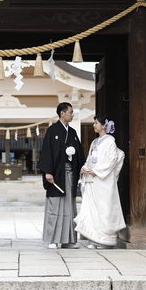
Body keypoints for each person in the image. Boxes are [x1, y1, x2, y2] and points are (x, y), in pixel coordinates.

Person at [74, 114, 126, 249]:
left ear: (104, 126)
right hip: (93, 180)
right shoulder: (94, 142)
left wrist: (96, 171)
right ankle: (94, 239)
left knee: (104, 209)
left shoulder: (110, 141)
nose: (94, 125)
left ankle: (106, 240)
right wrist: (85, 168)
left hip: (104, 181)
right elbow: (89, 160)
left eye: (96, 123)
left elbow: (112, 160)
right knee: (93, 210)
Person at [38, 102, 86, 249]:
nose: (72, 115)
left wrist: (81, 165)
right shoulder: (53, 131)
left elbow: (79, 153)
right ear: (62, 113)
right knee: (55, 206)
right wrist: (48, 172)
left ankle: (68, 240)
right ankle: (52, 239)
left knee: (69, 207)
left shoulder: (72, 132)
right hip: (56, 174)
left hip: (69, 173)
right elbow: (46, 152)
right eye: (70, 112)